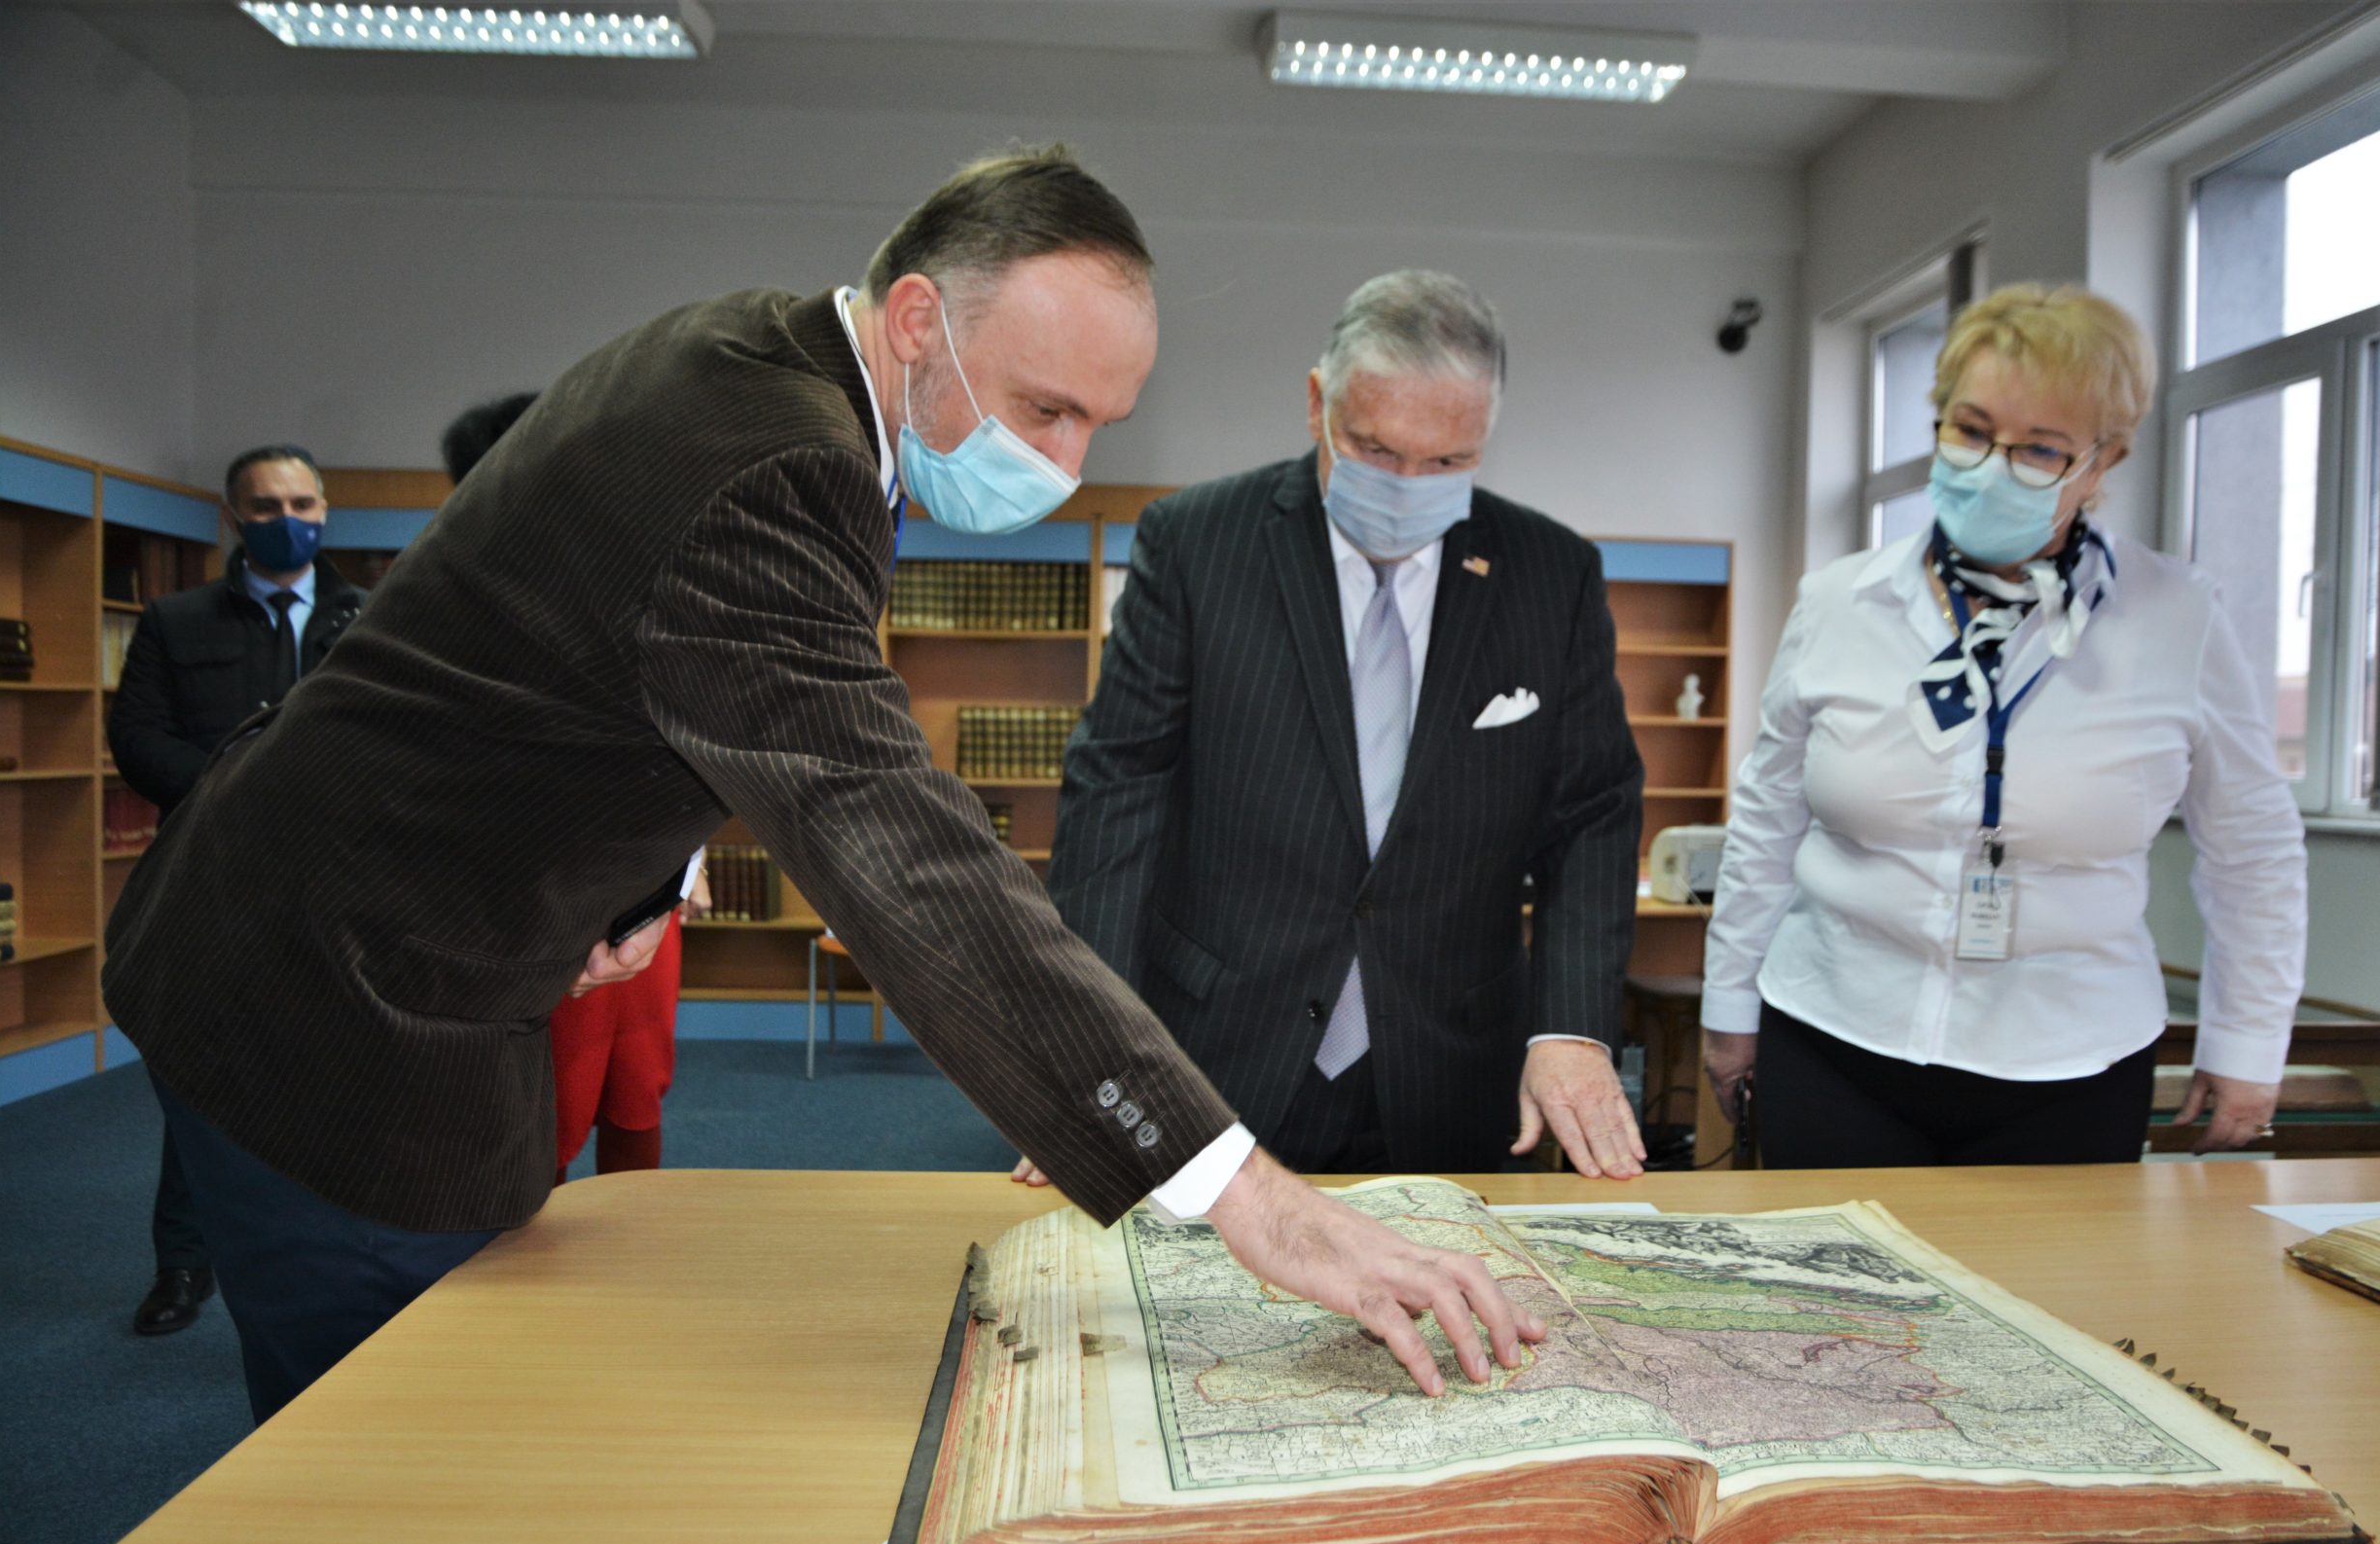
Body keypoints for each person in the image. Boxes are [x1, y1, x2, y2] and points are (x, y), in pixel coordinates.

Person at [102, 147, 1538, 1424]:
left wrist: (641, 878)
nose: (1063, 460)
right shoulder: (780, 469)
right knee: (385, 1455)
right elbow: (911, 861)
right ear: (919, 317)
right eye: (1043, 407)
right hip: (328, 1007)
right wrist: (1253, 1198)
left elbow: (586, 651)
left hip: (377, 939)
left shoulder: (745, 347)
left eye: (1097, 420)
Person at [1040, 269, 1645, 1184]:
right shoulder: (1196, 543)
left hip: (1454, 1063)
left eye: (1447, 463)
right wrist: (1087, 1047)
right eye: (1374, 448)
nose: (1408, 484)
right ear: (1318, 401)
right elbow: (1117, 789)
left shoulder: (1550, 575)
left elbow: (1594, 814)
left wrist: (1569, 1026)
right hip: (1218, 1048)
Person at [1700, 282, 2307, 1167]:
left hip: (2073, 1057)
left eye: (2041, 451)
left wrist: (2247, 1045)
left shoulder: (2180, 619)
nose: (1992, 467)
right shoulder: (1841, 602)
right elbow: (1766, 817)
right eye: (1972, 431)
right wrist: (1728, 1009)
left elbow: (2252, 846)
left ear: (2102, 464)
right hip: (1836, 1031)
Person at [106, 445, 367, 1338]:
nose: (285, 517)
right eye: (264, 505)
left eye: (300, 500)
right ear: (232, 519)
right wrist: (235, 790)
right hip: (210, 881)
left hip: (336, 887)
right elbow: (137, 737)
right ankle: (184, 1264)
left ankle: (331, 1255)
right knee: (203, 1075)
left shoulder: (373, 616)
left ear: (326, 510)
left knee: (342, 1078)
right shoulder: (175, 622)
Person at [441, 392, 711, 1181]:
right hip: (527, 899)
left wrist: (684, 872)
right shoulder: (459, 602)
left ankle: (633, 1251)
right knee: (543, 1105)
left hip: (640, 889)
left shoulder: (642, 580)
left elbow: (692, 737)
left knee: (637, 1089)